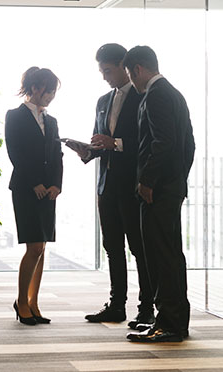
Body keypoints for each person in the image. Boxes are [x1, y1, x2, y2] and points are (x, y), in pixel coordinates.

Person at [71, 44, 152, 328]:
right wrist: (87, 151)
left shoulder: (144, 97)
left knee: (138, 249)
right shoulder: (103, 101)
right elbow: (101, 142)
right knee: (112, 247)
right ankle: (117, 305)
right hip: (107, 186)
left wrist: (115, 144)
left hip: (133, 185)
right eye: (101, 71)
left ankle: (146, 309)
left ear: (124, 66)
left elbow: (146, 142)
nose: (105, 76)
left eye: (108, 70)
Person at [123, 46, 195, 343]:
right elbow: (187, 145)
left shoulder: (156, 95)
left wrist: (149, 182)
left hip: (158, 191)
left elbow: (162, 143)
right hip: (170, 187)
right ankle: (173, 320)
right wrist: (178, 180)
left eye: (130, 74)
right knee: (169, 255)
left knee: (161, 256)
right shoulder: (173, 93)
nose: (132, 81)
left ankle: (168, 324)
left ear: (137, 69)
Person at [5, 67, 63, 326]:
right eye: (49, 91)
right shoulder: (15, 116)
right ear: (36, 88)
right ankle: (21, 300)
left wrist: (56, 185)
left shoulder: (51, 121)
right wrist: (35, 183)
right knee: (34, 246)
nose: (51, 96)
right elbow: (15, 153)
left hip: (47, 192)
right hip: (26, 189)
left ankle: (33, 302)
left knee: (42, 249)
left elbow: (56, 156)